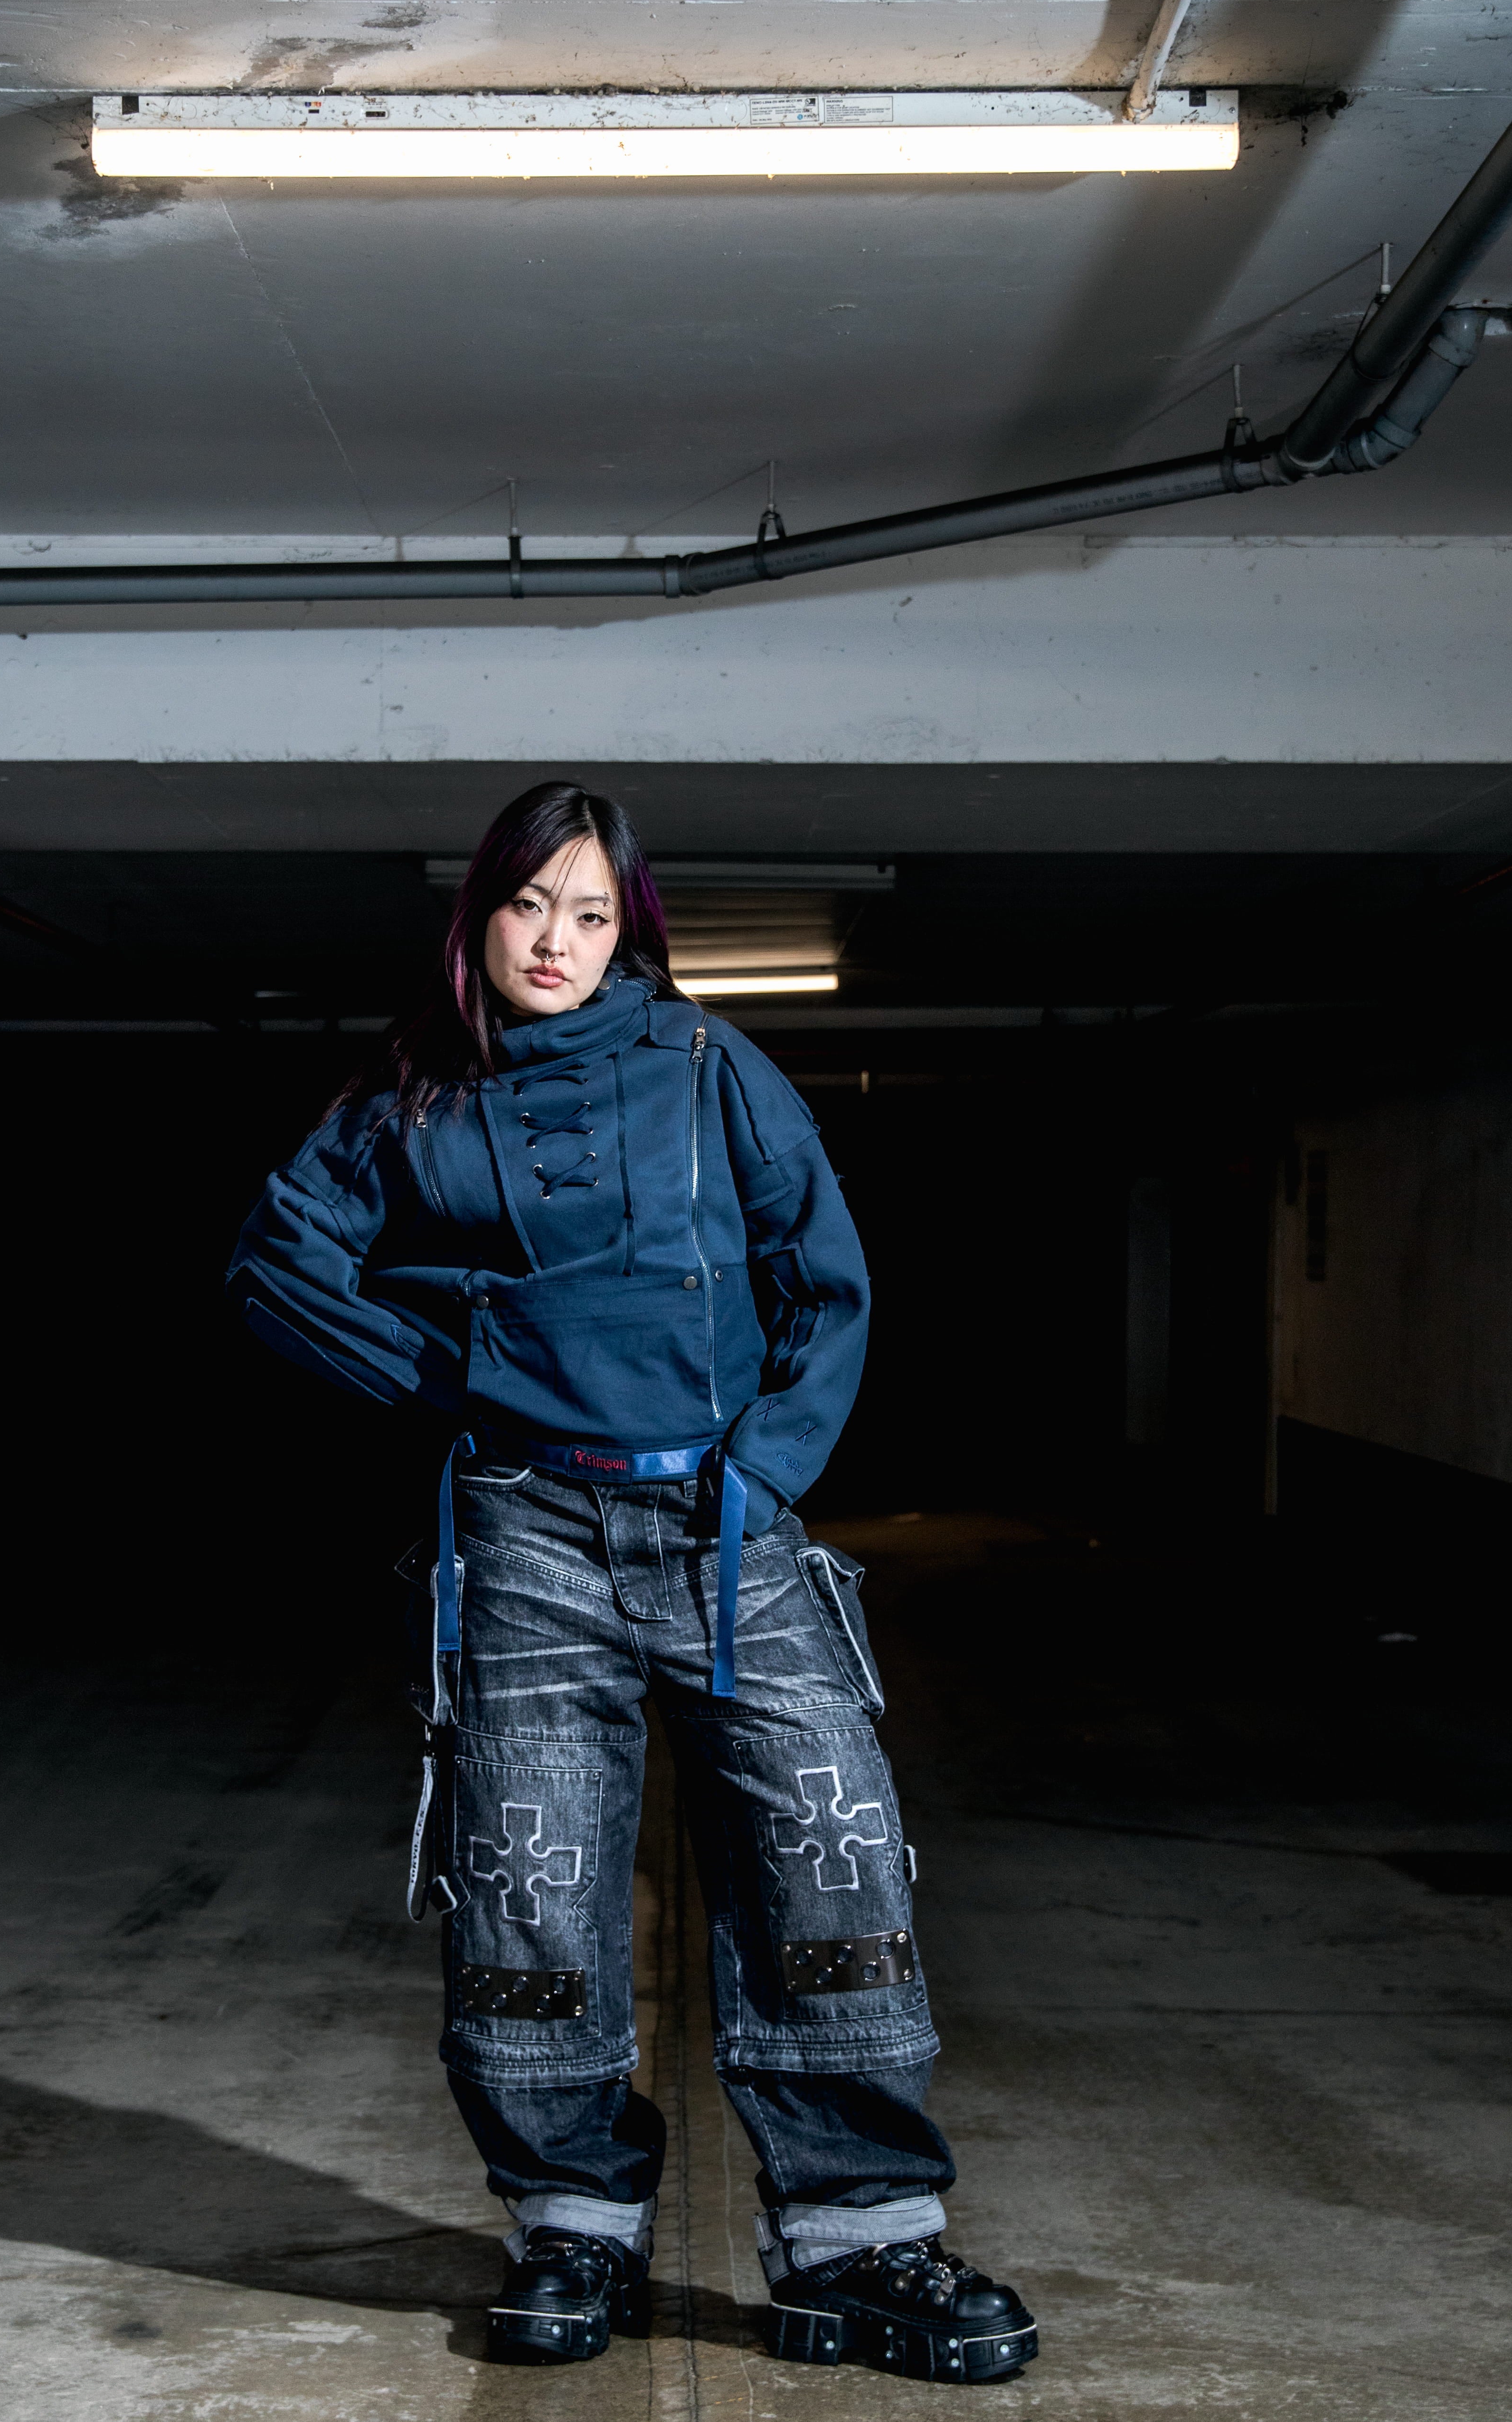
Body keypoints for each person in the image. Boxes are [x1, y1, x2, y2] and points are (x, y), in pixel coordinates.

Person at [227, 782, 1037, 2383]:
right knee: (529, 1881)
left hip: (724, 1528)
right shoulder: (410, 1095)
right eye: (531, 905)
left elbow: (825, 1273)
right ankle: (571, 2219)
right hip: (527, 1536)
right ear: (480, 915)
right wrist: (455, 1376)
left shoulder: (708, 1063)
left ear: (630, 928)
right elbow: (276, 1261)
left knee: (830, 1848)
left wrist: (769, 1470)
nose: (559, 940)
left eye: (591, 912)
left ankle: (860, 2237)